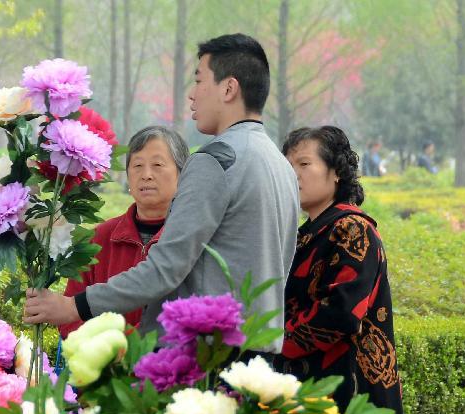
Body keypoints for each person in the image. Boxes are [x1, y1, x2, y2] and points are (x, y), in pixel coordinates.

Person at [25, 33, 298, 358]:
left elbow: (165, 267)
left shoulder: (217, 160)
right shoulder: (281, 167)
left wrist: (74, 306)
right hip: (258, 352)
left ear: (229, 88)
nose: (193, 95)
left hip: (205, 357)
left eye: (199, 81)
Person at [275, 125, 407, 414]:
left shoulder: (352, 229)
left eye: (304, 164)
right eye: (287, 166)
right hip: (309, 393)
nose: (293, 175)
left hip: (349, 399)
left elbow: (342, 314)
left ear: (335, 172)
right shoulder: (303, 234)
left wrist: (272, 341)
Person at [58, 125, 189, 338]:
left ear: (182, 175)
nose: (146, 175)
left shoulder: (191, 238)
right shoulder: (98, 238)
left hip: (172, 363)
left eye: (157, 164)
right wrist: (105, 351)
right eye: (137, 165)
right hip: (104, 365)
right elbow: (69, 316)